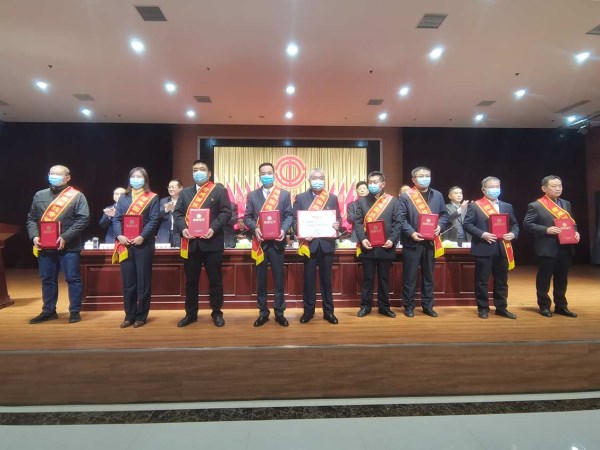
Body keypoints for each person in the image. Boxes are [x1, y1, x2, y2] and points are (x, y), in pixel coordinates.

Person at [26, 165, 90, 324]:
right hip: (45, 246)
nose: (53, 176)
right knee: (47, 279)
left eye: (58, 174)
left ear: (67, 178)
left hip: (69, 246)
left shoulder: (77, 196)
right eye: (51, 173)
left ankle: (74, 311)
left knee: (73, 278)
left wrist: (65, 237)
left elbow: (83, 219)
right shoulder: (39, 195)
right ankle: (48, 311)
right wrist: (34, 236)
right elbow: (31, 219)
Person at [173, 160, 231, 328]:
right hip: (191, 244)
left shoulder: (219, 191)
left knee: (215, 281)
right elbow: (177, 214)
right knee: (191, 282)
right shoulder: (185, 193)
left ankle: (217, 313)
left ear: (209, 173)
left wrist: (213, 228)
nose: (198, 172)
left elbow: (226, 212)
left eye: (202, 169)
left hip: (212, 243)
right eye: (195, 170)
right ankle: (191, 314)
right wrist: (183, 229)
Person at [244, 162, 294, 327]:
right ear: (259, 176)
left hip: (277, 244)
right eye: (263, 173)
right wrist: (255, 228)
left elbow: (289, 216)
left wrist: (283, 229)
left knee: (279, 280)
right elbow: (247, 217)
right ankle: (263, 313)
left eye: (269, 173)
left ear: (274, 174)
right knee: (261, 280)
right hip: (260, 244)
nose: (266, 176)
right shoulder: (253, 195)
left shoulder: (284, 194)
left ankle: (279, 313)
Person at [523, 175, 579, 318]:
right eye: (554, 186)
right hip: (547, 248)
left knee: (562, 279)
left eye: (560, 186)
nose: (558, 188)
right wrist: (546, 230)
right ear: (544, 188)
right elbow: (527, 224)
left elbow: (571, 223)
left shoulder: (566, 203)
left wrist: (576, 232)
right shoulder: (536, 205)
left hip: (565, 247)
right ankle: (544, 306)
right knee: (544, 279)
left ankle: (561, 306)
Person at [463, 176, 519, 319]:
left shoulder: (507, 206)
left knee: (502, 281)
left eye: (497, 186)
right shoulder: (475, 206)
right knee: (482, 281)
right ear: (483, 189)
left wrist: (513, 234)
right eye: (491, 187)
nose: (495, 189)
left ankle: (501, 308)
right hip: (483, 248)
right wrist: (483, 234)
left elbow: (514, 225)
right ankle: (483, 308)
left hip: (502, 248)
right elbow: (467, 224)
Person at [398, 166, 450, 317]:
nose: (425, 178)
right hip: (412, 242)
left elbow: (444, 215)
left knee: (429, 276)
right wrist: (411, 233)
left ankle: (428, 306)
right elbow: (401, 218)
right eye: (421, 176)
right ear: (413, 179)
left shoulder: (437, 195)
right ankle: (409, 306)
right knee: (410, 276)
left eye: (427, 175)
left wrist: (440, 226)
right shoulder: (406, 196)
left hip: (430, 243)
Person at [112, 167, 160, 328]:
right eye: (133, 176)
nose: (136, 179)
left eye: (139, 176)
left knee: (143, 282)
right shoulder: (123, 197)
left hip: (143, 244)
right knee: (128, 283)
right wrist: (119, 235)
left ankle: (141, 316)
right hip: (125, 244)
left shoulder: (152, 197)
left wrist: (142, 236)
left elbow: (153, 220)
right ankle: (129, 315)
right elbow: (116, 219)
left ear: (145, 179)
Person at [293, 168, 341, 324]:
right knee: (309, 280)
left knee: (327, 281)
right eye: (315, 178)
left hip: (326, 245)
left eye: (321, 178)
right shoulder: (300, 198)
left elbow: (338, 218)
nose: (318, 180)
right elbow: (295, 220)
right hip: (309, 245)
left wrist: (337, 224)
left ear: (324, 179)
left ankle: (329, 312)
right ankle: (308, 312)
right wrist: (301, 232)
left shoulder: (332, 198)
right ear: (309, 180)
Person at [354, 171, 401, 318]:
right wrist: (362, 239)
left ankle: (384, 307)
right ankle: (365, 307)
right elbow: (357, 222)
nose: (372, 185)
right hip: (367, 246)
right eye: (370, 182)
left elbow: (397, 223)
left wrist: (392, 239)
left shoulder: (393, 201)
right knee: (367, 279)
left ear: (383, 184)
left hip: (386, 246)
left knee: (384, 279)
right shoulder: (361, 201)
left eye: (375, 182)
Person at [157, 179, 183, 247]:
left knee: (180, 252)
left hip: (180, 233)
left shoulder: (184, 200)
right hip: (165, 232)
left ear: (181, 188)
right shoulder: (164, 200)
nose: (170, 189)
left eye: (173, 187)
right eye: (169, 187)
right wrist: (166, 209)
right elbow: (156, 215)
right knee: (164, 253)